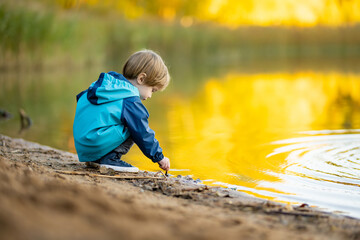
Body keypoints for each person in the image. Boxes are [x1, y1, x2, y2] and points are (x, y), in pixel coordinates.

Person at [73, 50, 170, 173]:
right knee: (135, 124)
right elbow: (143, 132)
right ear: (141, 78)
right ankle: (111, 159)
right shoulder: (130, 100)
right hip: (94, 143)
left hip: (83, 144)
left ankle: (98, 159)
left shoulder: (106, 87)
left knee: (127, 119)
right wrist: (159, 157)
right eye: (153, 90)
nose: (150, 95)